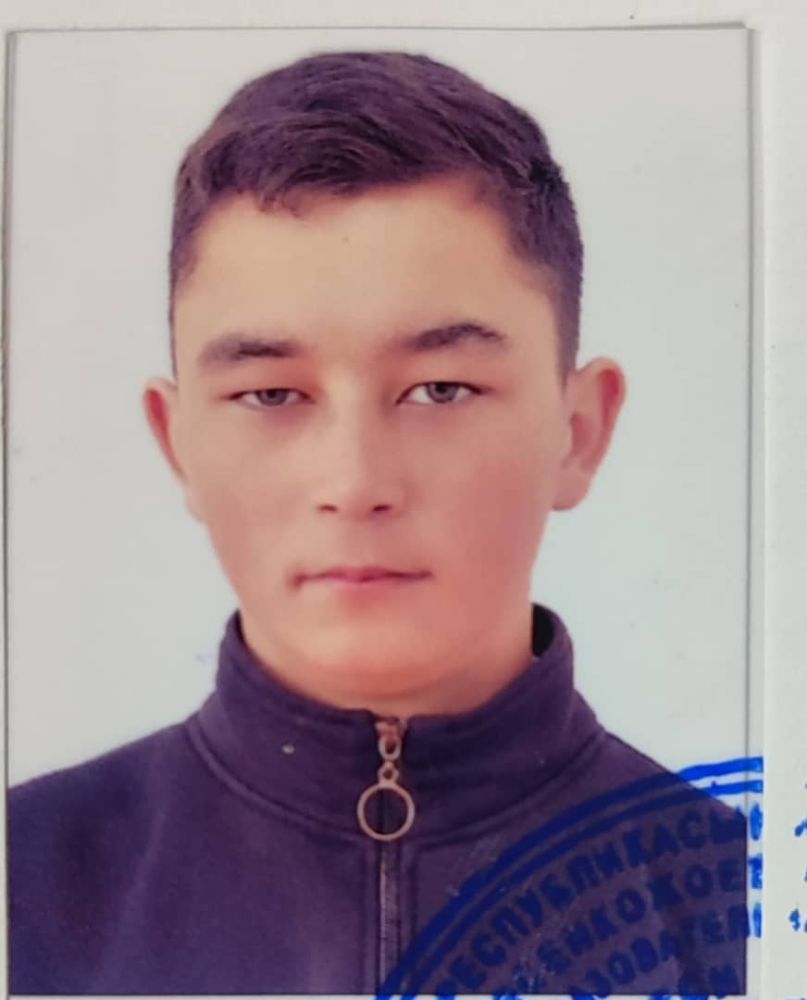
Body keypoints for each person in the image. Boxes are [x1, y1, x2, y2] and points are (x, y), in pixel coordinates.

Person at [8, 50, 747, 996]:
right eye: (271, 393)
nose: (354, 483)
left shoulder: (740, 907)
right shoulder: (26, 883)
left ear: (578, 431)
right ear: (177, 442)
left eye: (440, 389)